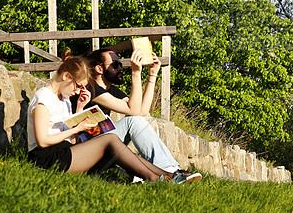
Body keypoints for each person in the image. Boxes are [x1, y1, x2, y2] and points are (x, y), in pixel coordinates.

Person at [26, 55, 182, 183]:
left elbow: (72, 141)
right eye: (78, 86)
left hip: (64, 152)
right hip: (46, 158)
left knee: (119, 147)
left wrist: (79, 110)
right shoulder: (43, 98)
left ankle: (170, 176)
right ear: (66, 76)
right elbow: (43, 141)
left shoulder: (64, 99)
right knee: (111, 139)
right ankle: (154, 179)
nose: (78, 91)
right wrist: (77, 129)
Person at [73, 47, 201, 183]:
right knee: (132, 121)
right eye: (115, 65)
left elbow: (141, 111)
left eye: (121, 64)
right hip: (84, 152)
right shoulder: (90, 88)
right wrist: (136, 72)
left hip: (101, 147)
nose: (121, 68)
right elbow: (133, 113)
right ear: (99, 69)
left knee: (135, 119)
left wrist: (152, 75)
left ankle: (169, 171)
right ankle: (169, 171)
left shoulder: (112, 91)